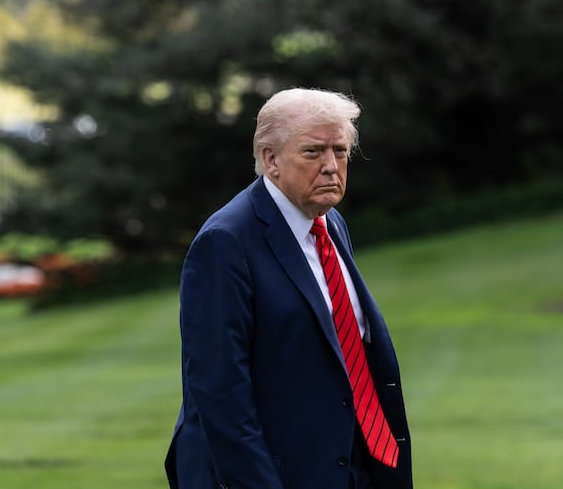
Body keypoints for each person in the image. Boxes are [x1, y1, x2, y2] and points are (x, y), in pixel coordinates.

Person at [165, 88, 412, 489]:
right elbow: (220, 392)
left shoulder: (330, 223)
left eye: (341, 150)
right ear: (270, 160)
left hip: (349, 465)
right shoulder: (226, 242)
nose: (332, 166)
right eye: (314, 152)